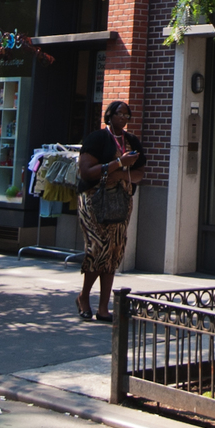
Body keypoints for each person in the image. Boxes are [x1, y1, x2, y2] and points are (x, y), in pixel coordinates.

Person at [75, 100, 144, 322]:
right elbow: (86, 172)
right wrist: (117, 164)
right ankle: (84, 297)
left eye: (127, 115)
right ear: (109, 115)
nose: (124, 118)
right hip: (94, 201)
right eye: (120, 114)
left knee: (113, 251)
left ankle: (104, 307)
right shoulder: (97, 139)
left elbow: (140, 174)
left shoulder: (132, 141)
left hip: (121, 201)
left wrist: (123, 174)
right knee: (97, 249)